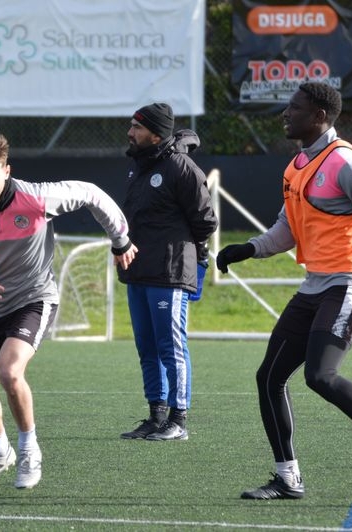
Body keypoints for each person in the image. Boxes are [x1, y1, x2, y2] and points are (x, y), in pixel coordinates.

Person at [216, 82, 352, 506]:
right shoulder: (296, 165)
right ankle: (287, 478)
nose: (285, 114)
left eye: (294, 108)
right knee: (269, 377)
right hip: (316, 284)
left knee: (320, 376)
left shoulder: (345, 162)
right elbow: (287, 231)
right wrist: (248, 249)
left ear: (319, 117)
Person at [0, 133, 137, 489]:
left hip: (33, 298)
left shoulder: (36, 197)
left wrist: (121, 240)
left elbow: (91, 193)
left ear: (7, 171)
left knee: (10, 372)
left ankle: (29, 449)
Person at [117, 102, 218, 441]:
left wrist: (188, 255)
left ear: (156, 134)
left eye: (137, 127)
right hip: (138, 270)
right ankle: (155, 416)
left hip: (169, 272)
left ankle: (179, 419)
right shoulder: (138, 167)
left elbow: (206, 221)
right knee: (146, 347)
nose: (130, 132)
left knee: (170, 346)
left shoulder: (181, 168)